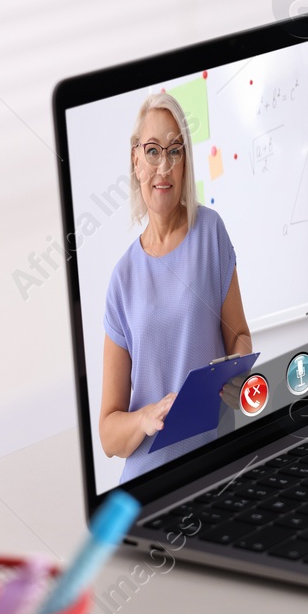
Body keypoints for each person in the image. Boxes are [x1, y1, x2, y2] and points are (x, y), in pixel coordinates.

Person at [99, 92, 253, 482]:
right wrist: (144, 418)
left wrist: (237, 375)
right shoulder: (122, 279)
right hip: (148, 480)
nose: (163, 166)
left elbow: (240, 336)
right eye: (152, 151)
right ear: (135, 160)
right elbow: (108, 434)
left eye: (174, 151)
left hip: (216, 465)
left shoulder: (210, 233)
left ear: (186, 163)